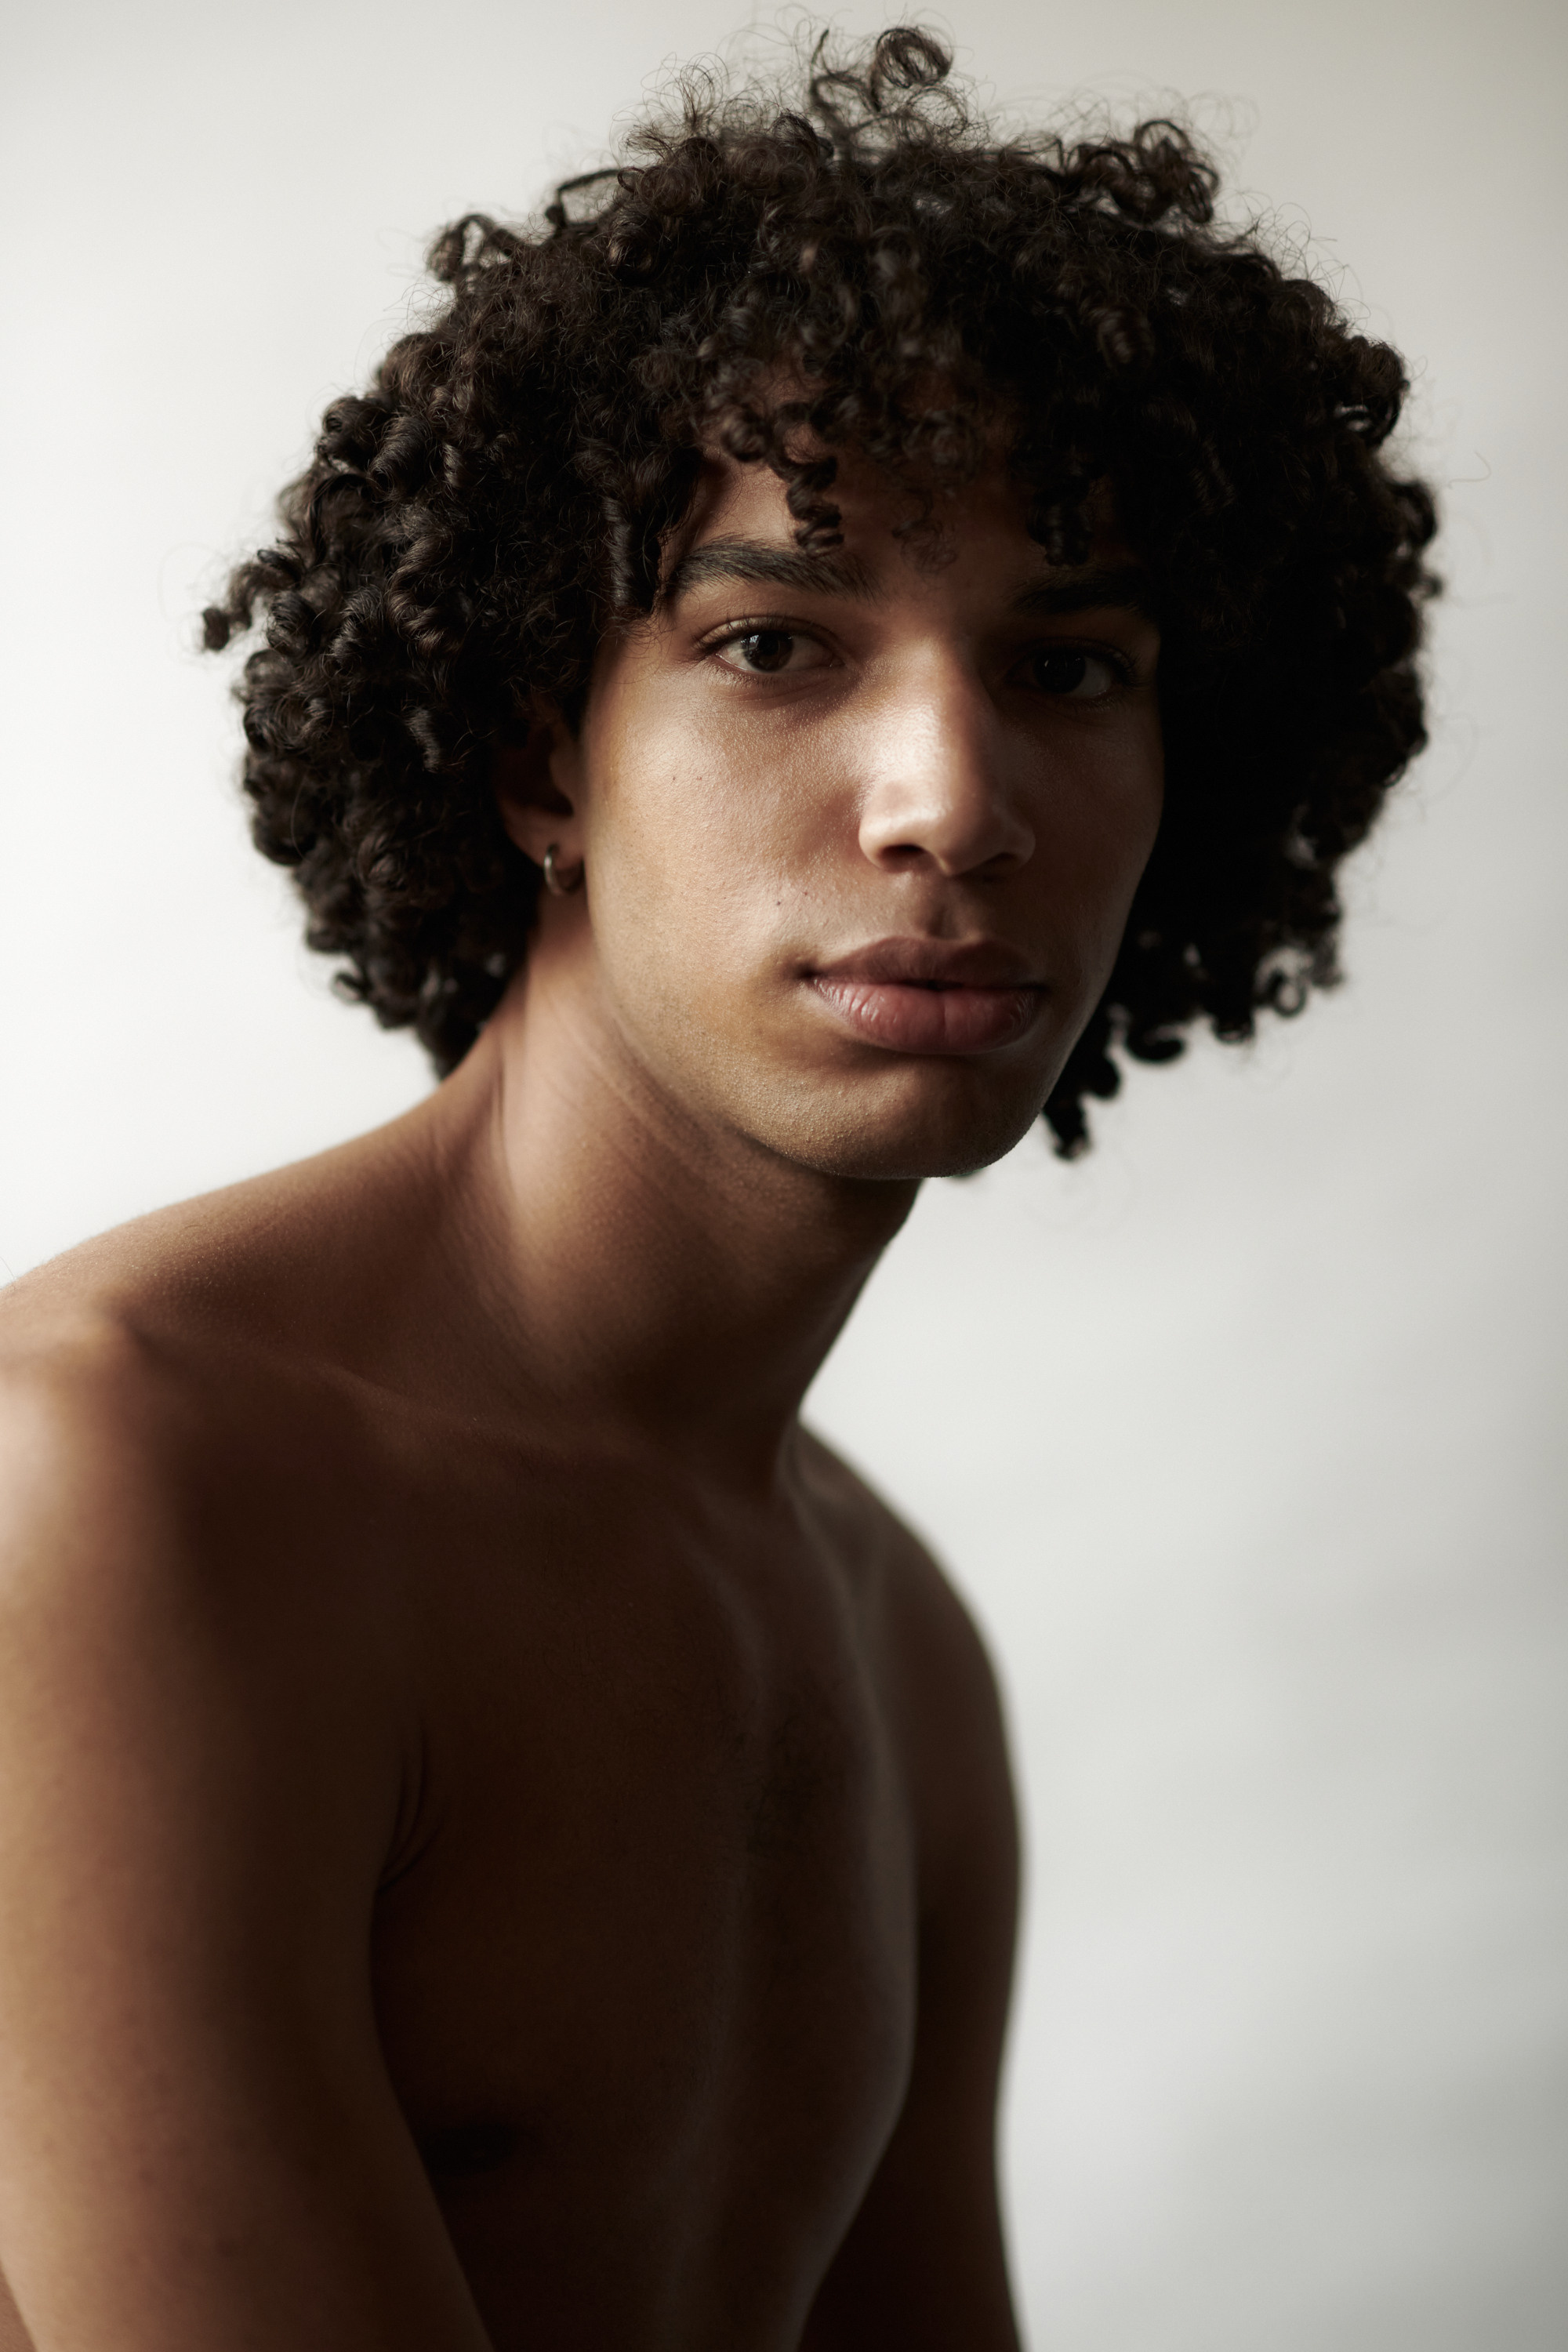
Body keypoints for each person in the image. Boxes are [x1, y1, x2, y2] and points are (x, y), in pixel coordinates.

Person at [0, 26, 1436, 2351]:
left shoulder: (893, 1638)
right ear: (531, 744)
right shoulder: (113, 1487)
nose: (952, 802)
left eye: (1069, 664)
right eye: (776, 643)